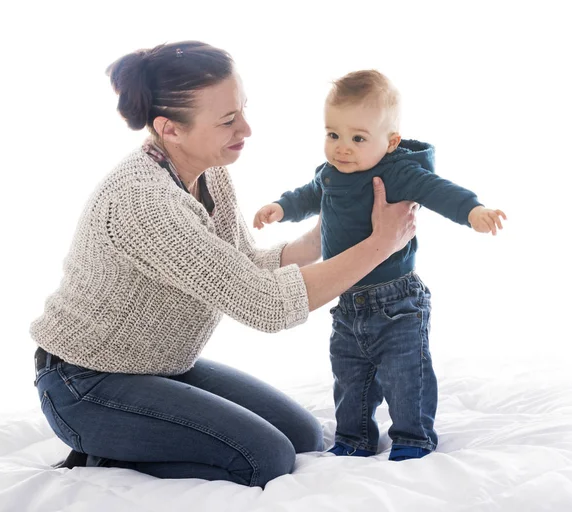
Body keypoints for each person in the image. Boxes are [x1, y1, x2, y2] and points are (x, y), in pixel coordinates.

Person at [29, 43, 418, 487]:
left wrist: (326, 234)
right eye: (228, 120)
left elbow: (243, 265)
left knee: (303, 436)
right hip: (85, 384)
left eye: (242, 110)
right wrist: (382, 243)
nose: (247, 128)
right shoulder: (144, 203)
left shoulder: (208, 171)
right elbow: (266, 305)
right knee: (264, 459)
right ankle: (102, 458)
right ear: (169, 129)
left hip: (157, 366)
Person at [253, 69, 507, 462]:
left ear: (390, 142)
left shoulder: (397, 171)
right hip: (348, 299)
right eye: (332, 134)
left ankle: (413, 437)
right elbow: (308, 195)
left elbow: (437, 190)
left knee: (407, 375)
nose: (342, 148)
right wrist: (282, 208)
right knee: (350, 377)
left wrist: (473, 210)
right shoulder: (331, 174)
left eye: (358, 138)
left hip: (397, 301)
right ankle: (354, 438)